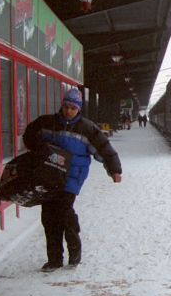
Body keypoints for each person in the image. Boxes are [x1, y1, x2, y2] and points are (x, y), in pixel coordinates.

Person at [23, 89, 122, 272]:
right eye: (66, 107)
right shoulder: (47, 123)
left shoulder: (87, 128)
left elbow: (104, 148)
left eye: (73, 108)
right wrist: (37, 149)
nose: (69, 111)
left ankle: (74, 250)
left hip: (72, 177)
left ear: (79, 109)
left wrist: (114, 169)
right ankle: (54, 259)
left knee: (63, 211)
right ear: (62, 105)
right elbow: (29, 135)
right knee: (48, 217)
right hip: (49, 176)